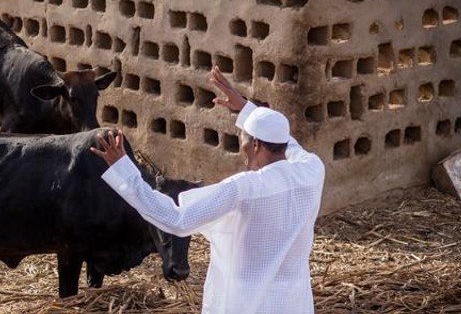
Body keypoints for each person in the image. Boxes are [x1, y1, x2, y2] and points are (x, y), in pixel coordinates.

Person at [90, 66, 325, 314]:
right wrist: (246, 110)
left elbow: (177, 219)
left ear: (255, 144)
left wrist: (125, 172)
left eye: (243, 140)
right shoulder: (311, 170)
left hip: (246, 304)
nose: (242, 148)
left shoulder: (243, 189)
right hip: (292, 303)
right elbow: (289, 143)